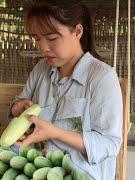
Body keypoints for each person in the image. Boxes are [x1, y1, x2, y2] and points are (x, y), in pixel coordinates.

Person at [11, 0, 123, 179]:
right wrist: (17, 106)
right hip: (38, 171)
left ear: (77, 31)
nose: (42, 47)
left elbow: (109, 144)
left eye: (52, 38)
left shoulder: (102, 77)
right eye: (37, 39)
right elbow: (19, 104)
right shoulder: (41, 69)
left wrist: (54, 132)